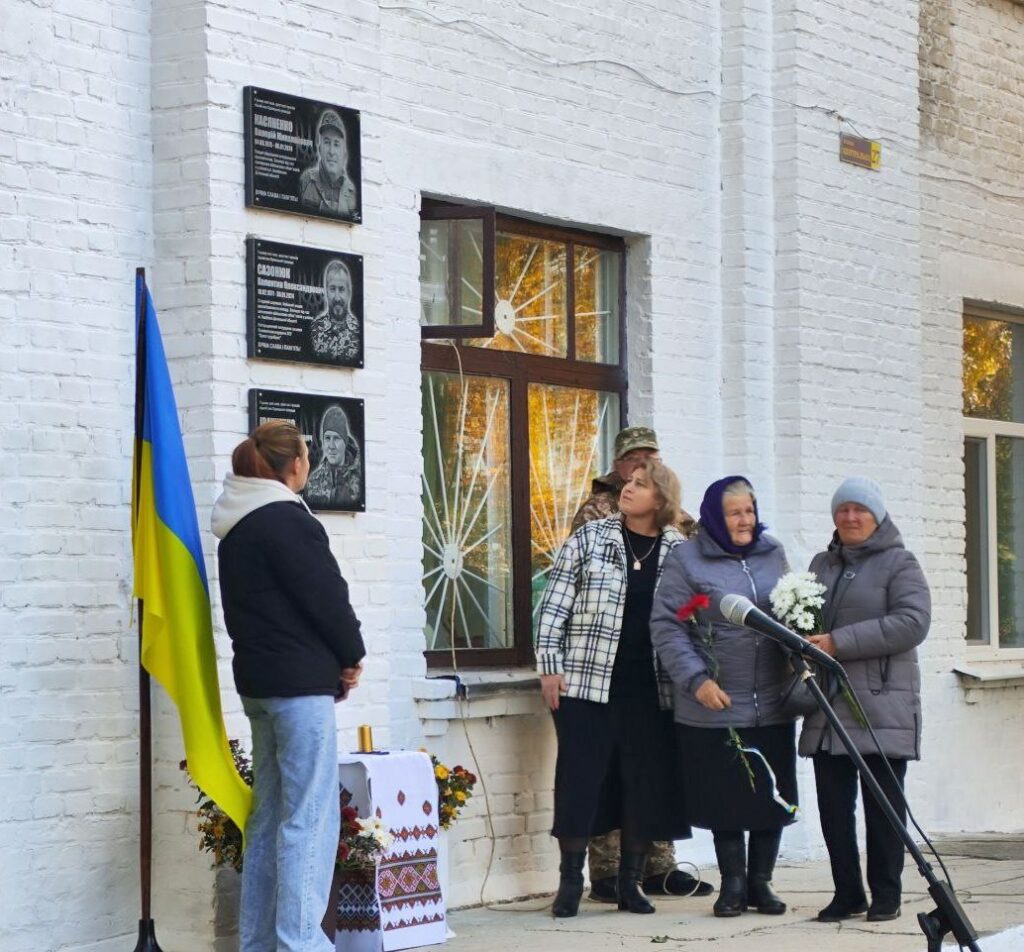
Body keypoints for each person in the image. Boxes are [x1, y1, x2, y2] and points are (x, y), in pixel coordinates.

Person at [212, 420, 366, 952]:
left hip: (259, 685)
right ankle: (300, 942)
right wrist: (351, 656)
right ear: (294, 465)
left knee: (269, 818)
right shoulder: (286, 519)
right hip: (299, 688)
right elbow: (326, 598)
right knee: (309, 819)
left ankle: (259, 943)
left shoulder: (236, 524)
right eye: (305, 455)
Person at [536, 461, 692, 919]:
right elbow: (553, 605)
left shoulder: (679, 552)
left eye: (641, 485)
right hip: (586, 684)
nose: (628, 488)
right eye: (629, 482)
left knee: (641, 786)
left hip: (651, 689)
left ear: (660, 500)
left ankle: (631, 884)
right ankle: (570, 883)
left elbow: (692, 614)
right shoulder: (590, 538)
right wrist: (549, 667)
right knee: (580, 783)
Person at [569, 425, 707, 903]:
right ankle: (607, 872)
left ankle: (659, 867)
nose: (641, 466)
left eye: (650, 457)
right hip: (606, 663)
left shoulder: (670, 512)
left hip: (657, 663)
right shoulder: (598, 510)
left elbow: (698, 553)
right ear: (619, 463)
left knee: (654, 769)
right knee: (608, 771)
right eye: (634, 459)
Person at [651, 476, 797, 918]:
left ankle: (761, 883)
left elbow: (793, 610)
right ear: (715, 515)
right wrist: (697, 680)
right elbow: (669, 623)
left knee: (773, 795)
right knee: (728, 796)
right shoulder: (689, 561)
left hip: (772, 698)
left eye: (749, 510)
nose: (744, 520)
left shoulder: (772, 554)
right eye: (735, 512)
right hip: (715, 702)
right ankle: (733, 884)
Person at [800, 477, 930, 924]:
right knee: (834, 807)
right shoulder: (821, 564)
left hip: (880, 706)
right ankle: (847, 893)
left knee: (883, 807)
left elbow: (913, 623)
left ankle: (886, 895)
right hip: (829, 705)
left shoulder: (900, 563)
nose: (851, 518)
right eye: (843, 510)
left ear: (877, 517)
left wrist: (839, 642)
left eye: (860, 510)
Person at [299, 109, 358, 217]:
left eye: (336, 144)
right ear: (320, 147)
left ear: (344, 152)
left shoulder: (351, 192)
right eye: (327, 142)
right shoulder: (306, 180)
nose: (331, 151)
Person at [304, 405, 362, 510]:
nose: (331, 446)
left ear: (345, 441)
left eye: (336, 438)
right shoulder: (314, 480)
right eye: (327, 438)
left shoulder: (360, 477)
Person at [308, 259, 360, 363]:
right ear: (326, 291)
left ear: (349, 292)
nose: (337, 298)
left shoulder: (358, 330)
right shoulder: (315, 328)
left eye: (341, 289)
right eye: (332, 289)